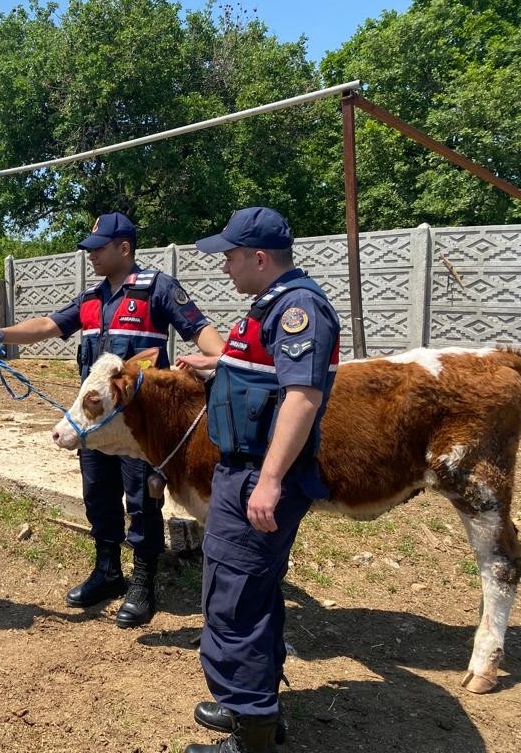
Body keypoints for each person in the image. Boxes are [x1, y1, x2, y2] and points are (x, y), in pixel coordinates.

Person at [0, 211, 223, 628]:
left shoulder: (157, 289)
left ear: (124, 248)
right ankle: (107, 571)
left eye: (98, 249)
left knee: (143, 501)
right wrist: (0, 335)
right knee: (98, 495)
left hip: (138, 429)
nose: (90, 256)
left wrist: (223, 360)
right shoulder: (90, 299)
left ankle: (144, 582)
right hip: (95, 422)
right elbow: (48, 326)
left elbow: (200, 328)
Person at [176, 207, 340, 753]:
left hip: (256, 476)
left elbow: (303, 396)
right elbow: (266, 376)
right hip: (239, 470)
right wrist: (216, 367)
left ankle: (252, 736)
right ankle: (257, 709)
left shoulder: (298, 308)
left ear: (259, 257)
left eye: (230, 255)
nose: (224, 265)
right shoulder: (269, 304)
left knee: (236, 598)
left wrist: (269, 481)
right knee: (248, 592)